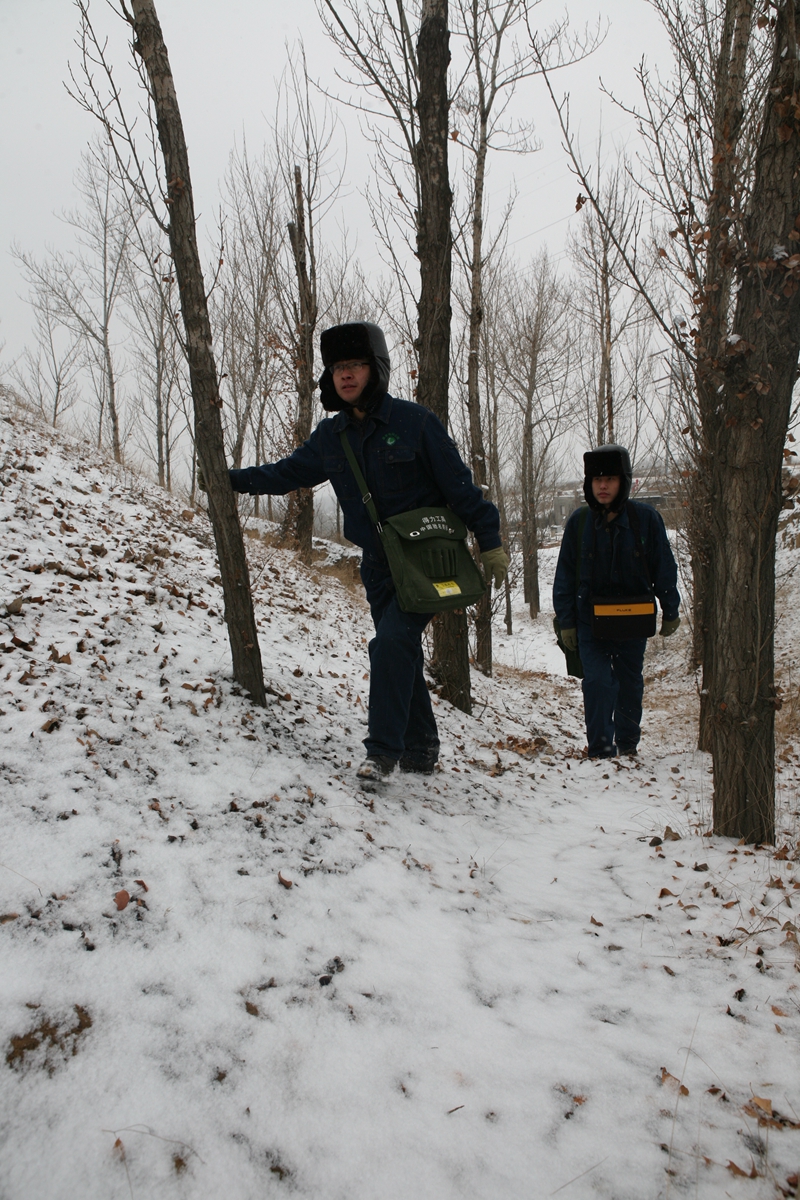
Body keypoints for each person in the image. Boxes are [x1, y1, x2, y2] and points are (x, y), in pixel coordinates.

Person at [226, 321, 509, 782]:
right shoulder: (331, 436)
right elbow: (288, 473)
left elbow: (459, 486)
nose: (347, 374)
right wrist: (232, 480)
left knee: (392, 643)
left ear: (376, 368)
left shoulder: (415, 423)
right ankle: (421, 747)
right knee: (400, 652)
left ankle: (381, 752)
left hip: (426, 563)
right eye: (338, 367)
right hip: (379, 568)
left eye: (356, 364)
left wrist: (490, 540)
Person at [552, 444, 680, 759]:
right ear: (588, 484)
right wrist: (565, 621)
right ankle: (601, 749)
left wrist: (671, 609)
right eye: (596, 480)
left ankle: (627, 744)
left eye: (610, 478)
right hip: (589, 622)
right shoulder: (579, 523)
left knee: (629, 684)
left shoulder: (646, 519)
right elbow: (565, 576)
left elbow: (663, 566)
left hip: (633, 620)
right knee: (596, 682)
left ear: (624, 481)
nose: (603, 486)